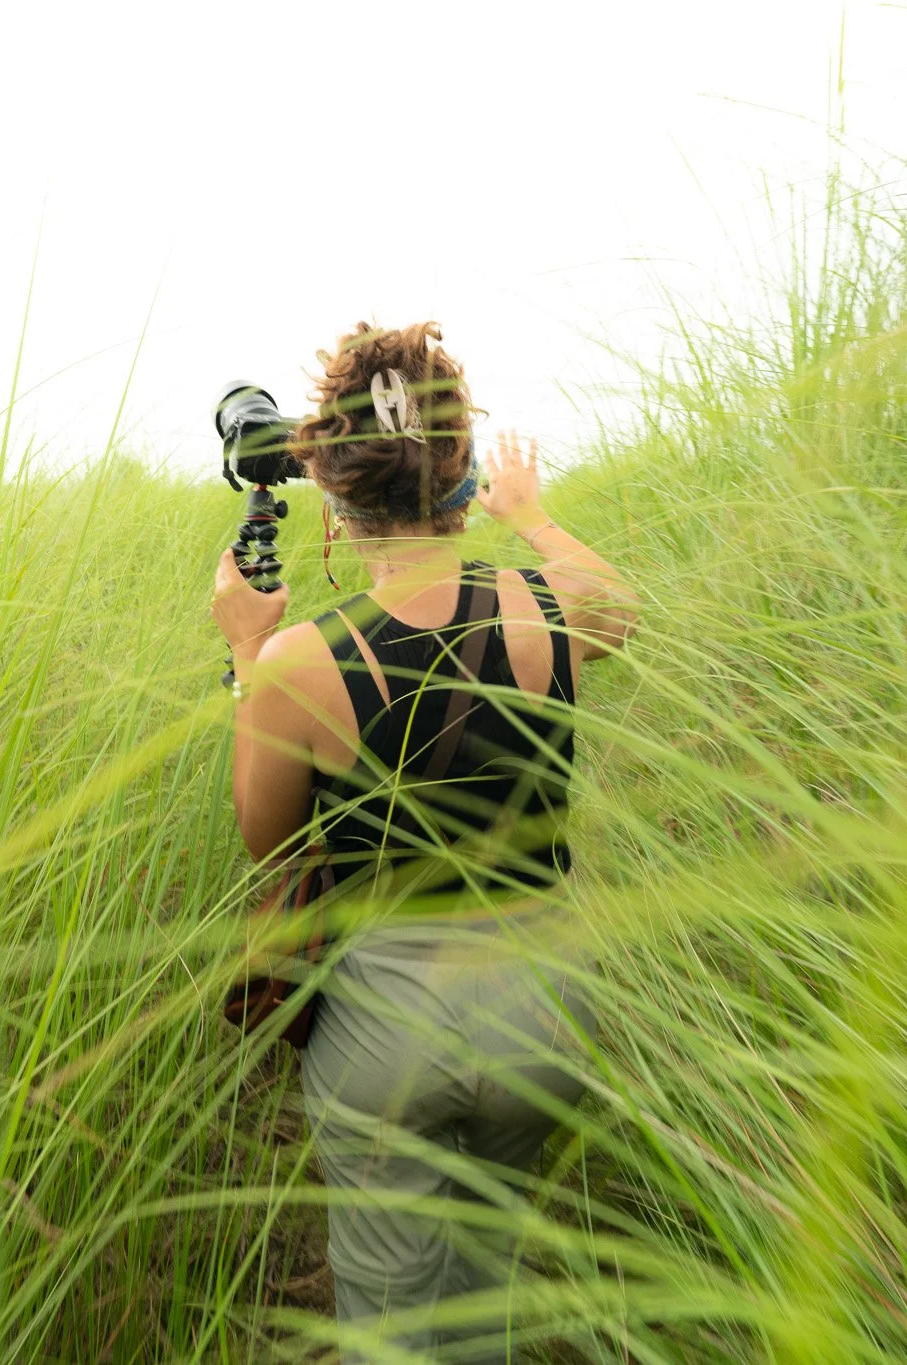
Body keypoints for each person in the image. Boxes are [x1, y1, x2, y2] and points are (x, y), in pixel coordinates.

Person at [208, 321, 637, 1357]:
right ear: (460, 475)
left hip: (385, 1018)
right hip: (541, 1000)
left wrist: (245, 654)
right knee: (485, 1275)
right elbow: (616, 599)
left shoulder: (301, 662)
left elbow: (266, 846)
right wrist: (528, 515)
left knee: (392, 1319)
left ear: (333, 495)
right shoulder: (550, 609)